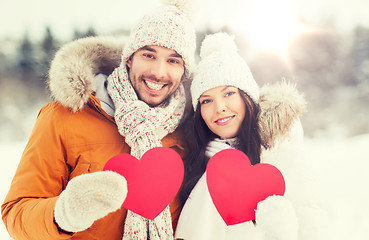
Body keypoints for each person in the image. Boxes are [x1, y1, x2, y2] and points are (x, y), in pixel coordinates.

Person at [1, 0, 196, 239]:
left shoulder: (192, 125)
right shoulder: (64, 117)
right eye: (148, 54)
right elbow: (16, 213)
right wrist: (63, 214)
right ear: (128, 58)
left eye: (173, 60)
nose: (158, 71)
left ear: (184, 70)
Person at [175, 32, 306, 240]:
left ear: (247, 97)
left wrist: (283, 231)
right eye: (207, 101)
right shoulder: (195, 160)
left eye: (229, 93)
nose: (219, 108)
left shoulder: (282, 154)